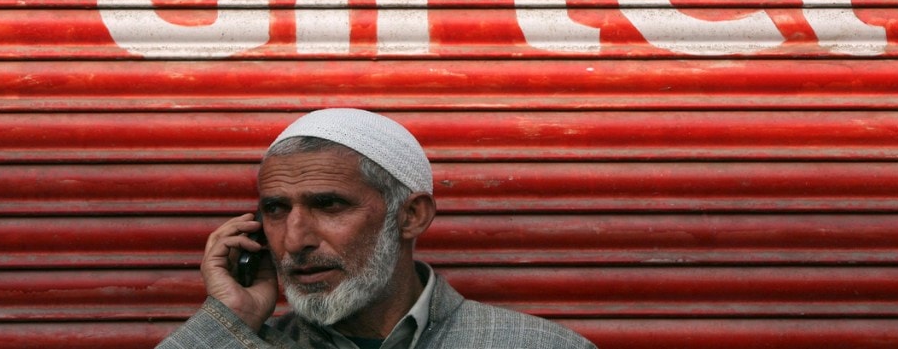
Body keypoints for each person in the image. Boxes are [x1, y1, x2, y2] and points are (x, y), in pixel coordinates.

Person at [158, 108, 597, 349]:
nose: (294, 241)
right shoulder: (235, 343)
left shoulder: (530, 345)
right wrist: (229, 319)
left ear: (411, 216)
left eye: (328, 205)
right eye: (275, 210)